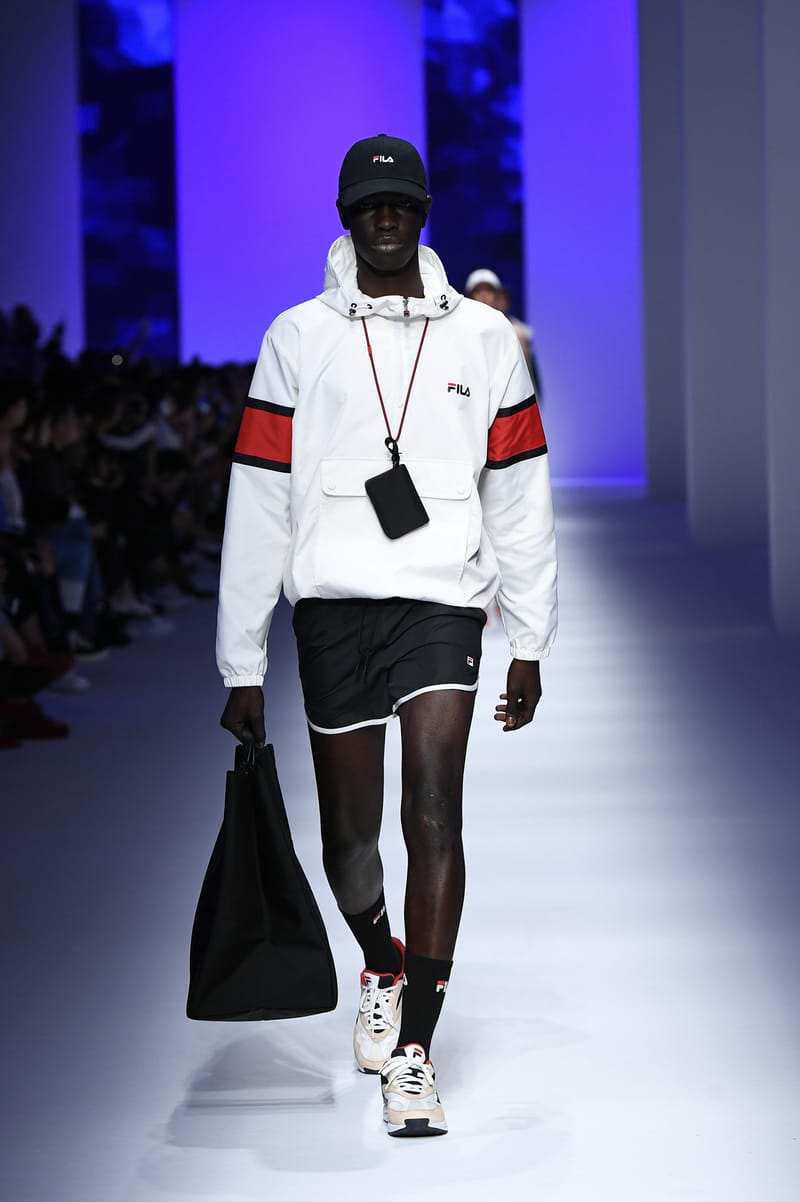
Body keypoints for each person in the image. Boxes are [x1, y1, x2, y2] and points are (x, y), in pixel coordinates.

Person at [216, 134, 557, 1138]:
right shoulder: (296, 337)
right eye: (370, 205)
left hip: (443, 600)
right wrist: (242, 659)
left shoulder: (484, 341)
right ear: (345, 216)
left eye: (401, 202)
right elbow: (258, 498)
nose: (387, 217)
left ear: (423, 211)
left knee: (434, 809)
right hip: (333, 606)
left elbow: (519, 492)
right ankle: (380, 955)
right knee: (349, 843)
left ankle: (415, 1048)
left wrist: (529, 636)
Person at [464, 267, 544, 403]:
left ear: (498, 295)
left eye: (489, 290)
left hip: (506, 401)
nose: (483, 296)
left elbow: (525, 377)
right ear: (469, 296)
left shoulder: (516, 332)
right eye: (477, 291)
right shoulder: (462, 328)